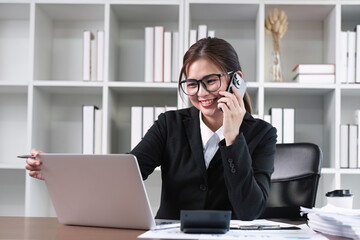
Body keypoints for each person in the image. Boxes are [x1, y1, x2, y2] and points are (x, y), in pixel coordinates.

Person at [26, 37, 277, 221]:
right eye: (192, 84)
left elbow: (249, 211)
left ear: (237, 80)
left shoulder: (263, 134)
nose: (201, 93)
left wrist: (233, 139)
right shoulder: (170, 125)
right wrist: (59, 173)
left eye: (210, 81)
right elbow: (125, 174)